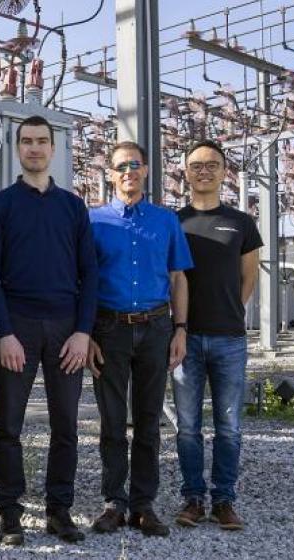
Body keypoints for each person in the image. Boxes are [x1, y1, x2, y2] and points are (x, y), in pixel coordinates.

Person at [0, 115, 99, 546]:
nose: (34, 148)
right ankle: (9, 513)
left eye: (41, 141)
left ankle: (59, 510)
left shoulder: (72, 206)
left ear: (53, 148)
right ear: (17, 148)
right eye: (26, 141)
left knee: (66, 425)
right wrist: (4, 332)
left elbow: (90, 273)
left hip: (66, 329)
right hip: (18, 328)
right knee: (8, 425)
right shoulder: (0, 206)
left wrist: (84, 331)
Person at [87, 141, 193, 538]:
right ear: (110, 174)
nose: (128, 171)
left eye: (135, 164)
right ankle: (114, 502)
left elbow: (179, 278)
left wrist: (180, 329)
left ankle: (144, 504)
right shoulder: (94, 221)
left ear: (146, 171)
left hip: (156, 328)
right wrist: (87, 334)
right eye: (120, 166)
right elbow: (86, 281)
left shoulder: (165, 221)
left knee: (148, 422)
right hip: (109, 329)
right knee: (112, 421)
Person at [174, 139, 261, 531]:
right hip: (185, 339)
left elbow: (249, 276)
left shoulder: (241, 223)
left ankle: (224, 501)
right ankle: (193, 498)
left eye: (213, 165)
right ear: (186, 173)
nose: (204, 171)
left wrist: (231, 310)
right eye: (197, 165)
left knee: (229, 426)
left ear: (225, 172)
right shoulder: (174, 222)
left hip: (229, 339)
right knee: (188, 426)